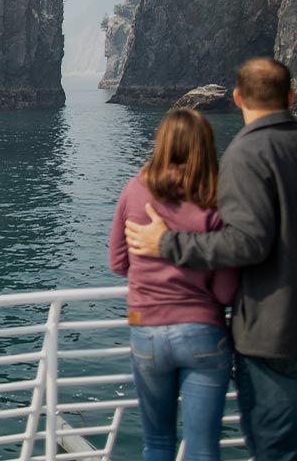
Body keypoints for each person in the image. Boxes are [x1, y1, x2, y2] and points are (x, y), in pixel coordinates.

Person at [126, 57, 297, 461]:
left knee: (275, 448)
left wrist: (168, 244)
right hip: (234, 334)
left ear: (237, 97)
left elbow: (247, 243)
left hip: (273, 333)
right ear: (291, 97)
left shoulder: (248, 153)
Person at [109, 108, 238, 461]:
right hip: (203, 332)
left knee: (157, 443)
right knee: (202, 448)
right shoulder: (215, 198)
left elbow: (118, 262)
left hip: (146, 330)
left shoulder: (134, 190)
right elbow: (227, 291)